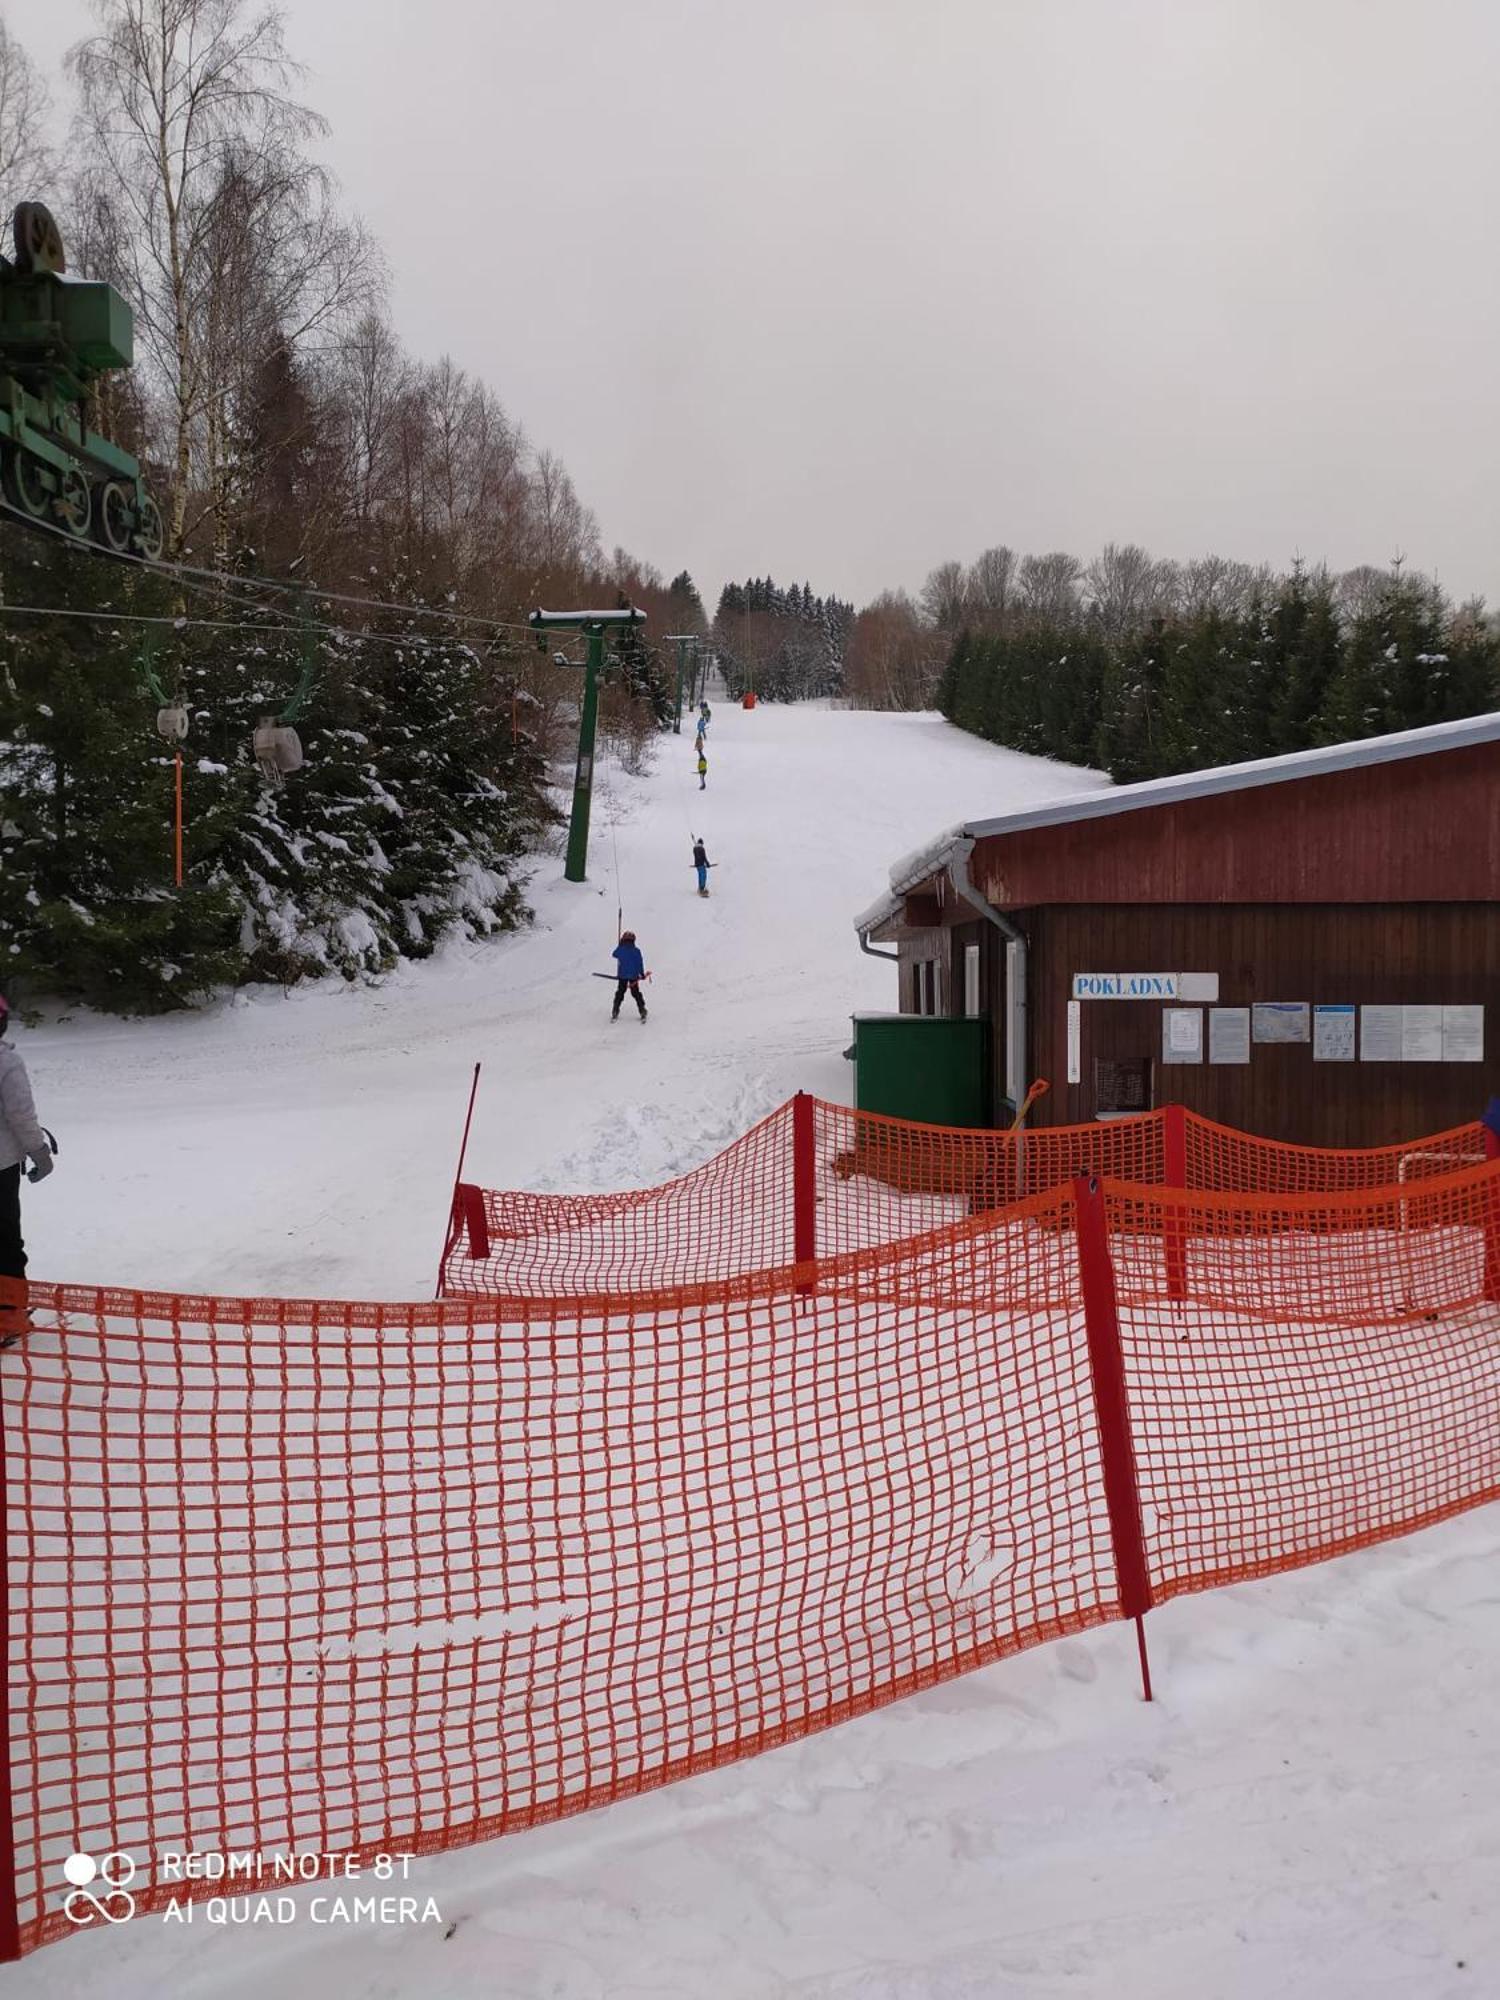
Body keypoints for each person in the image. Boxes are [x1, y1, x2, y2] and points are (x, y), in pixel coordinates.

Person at [0, 995, 55, 1340]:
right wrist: (40, 1152)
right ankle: (8, 1317)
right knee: (4, 1242)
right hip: (1, 1166)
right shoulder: (7, 1063)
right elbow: (20, 1114)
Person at [610, 931, 648, 1022]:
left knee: (620, 992)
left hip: (622, 976)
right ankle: (642, 1010)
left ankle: (615, 1010)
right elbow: (639, 963)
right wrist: (642, 974)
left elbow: (614, 954)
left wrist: (619, 945)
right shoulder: (636, 951)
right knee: (636, 993)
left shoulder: (621, 949)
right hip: (633, 976)